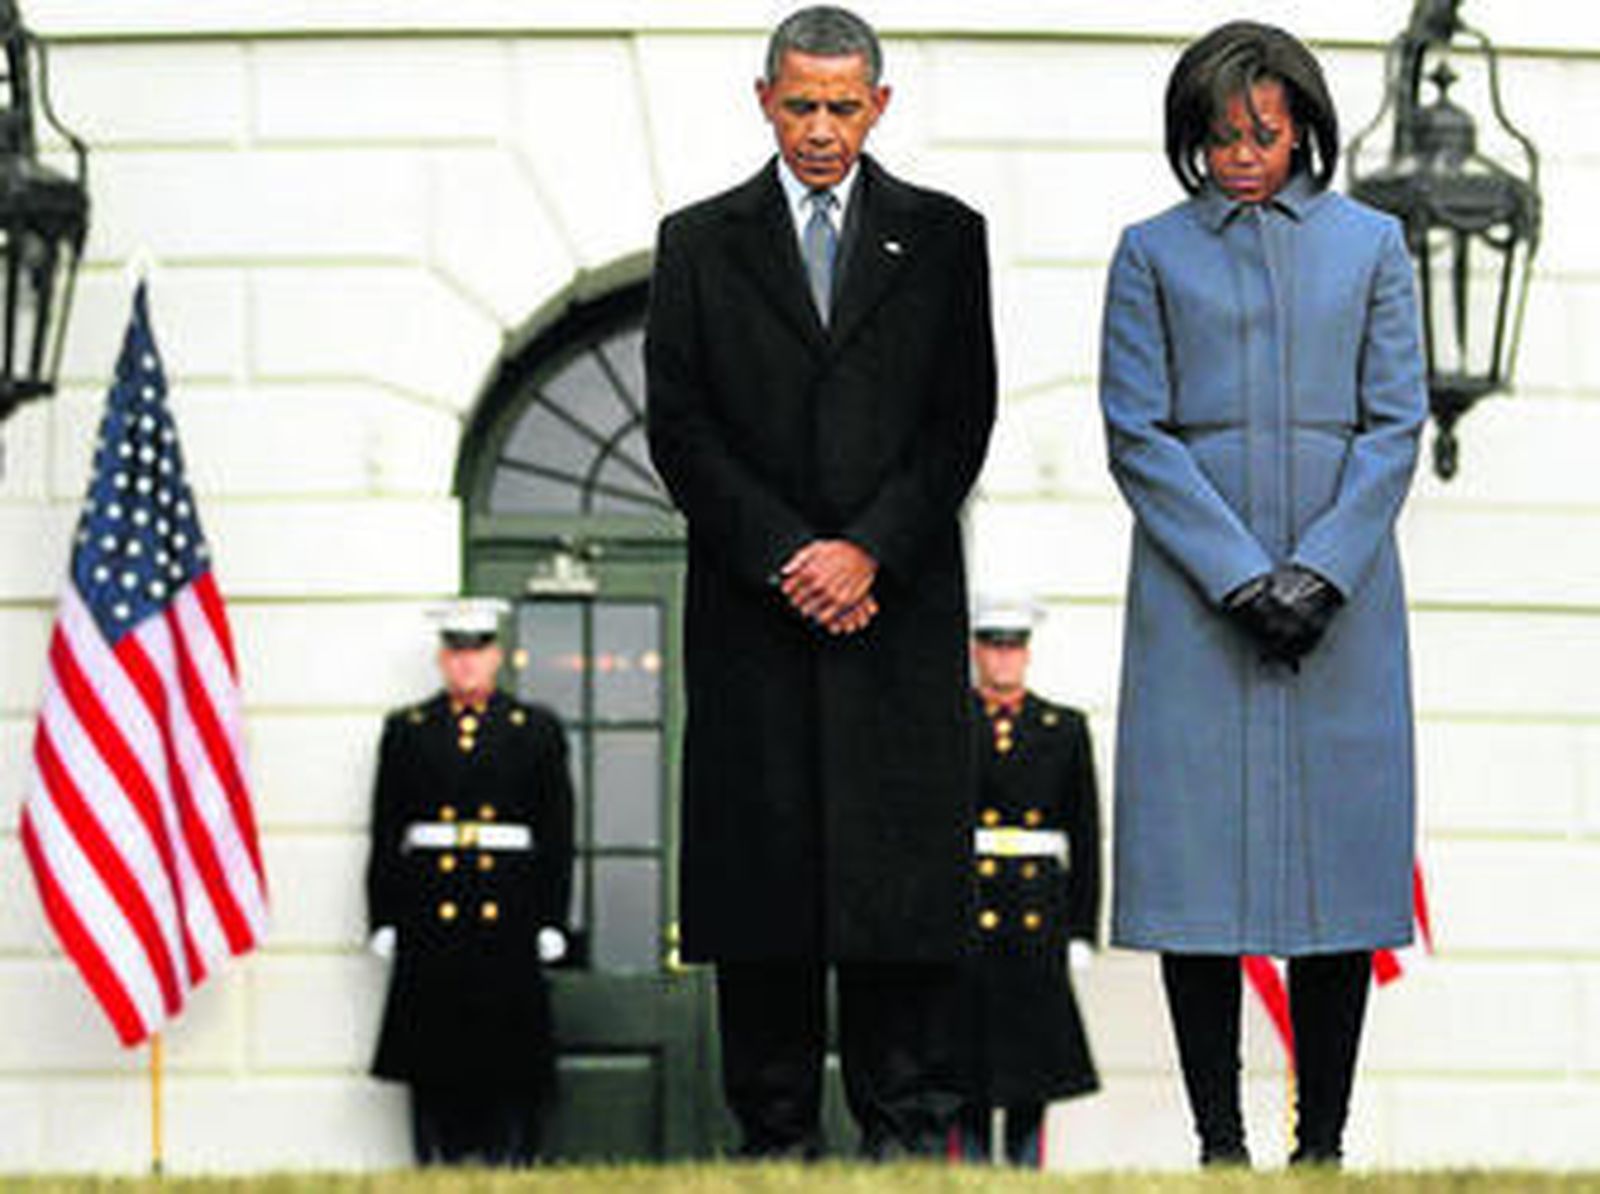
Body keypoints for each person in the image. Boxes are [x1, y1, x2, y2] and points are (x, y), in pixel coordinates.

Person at [644, 4, 997, 1161]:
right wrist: (788, 553)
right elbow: (681, 430)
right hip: (757, 631)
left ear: (878, 106)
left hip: (893, 627)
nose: (821, 128)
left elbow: (960, 420)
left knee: (899, 919)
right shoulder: (697, 242)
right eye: (800, 104)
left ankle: (906, 1148)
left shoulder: (946, 238)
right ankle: (774, 1151)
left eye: (844, 106)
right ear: (763, 101)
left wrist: (870, 550)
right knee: (766, 912)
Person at [1097, 20, 1426, 1169]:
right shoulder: (1148, 252)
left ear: (1304, 131)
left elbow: (1395, 425)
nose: (1242, 154)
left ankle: (1321, 1141)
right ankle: (1218, 1141)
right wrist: (1240, 576)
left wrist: (1322, 569)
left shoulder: (1375, 246)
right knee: (1200, 879)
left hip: (1344, 605)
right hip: (1198, 605)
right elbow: (1136, 432)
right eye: (1220, 135)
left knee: (1337, 872)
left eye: (1264, 133)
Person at [365, 598, 576, 1166]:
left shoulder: (533, 730)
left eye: (477, 653)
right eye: (455, 654)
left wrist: (552, 918)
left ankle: (510, 1162)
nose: (465, 666)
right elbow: (387, 831)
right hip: (430, 911)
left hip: (507, 910)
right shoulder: (408, 730)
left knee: (508, 1053)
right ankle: (436, 1162)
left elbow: (556, 834)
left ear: (497, 657)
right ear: (441, 659)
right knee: (432, 1052)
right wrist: (382, 916)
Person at [956, 597, 1101, 1168]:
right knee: (964, 1065)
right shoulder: (950, 721)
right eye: (993, 646)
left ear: (1028, 654)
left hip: (1038, 913)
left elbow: (1085, 835)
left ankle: (1024, 1172)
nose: (1003, 659)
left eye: (1013, 647)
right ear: (975, 651)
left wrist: (1082, 928)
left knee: (1031, 1068)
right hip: (968, 908)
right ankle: (965, 1173)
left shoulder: (1062, 728)